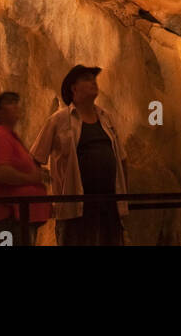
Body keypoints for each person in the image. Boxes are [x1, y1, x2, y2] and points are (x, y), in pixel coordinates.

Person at [31, 65, 126, 246]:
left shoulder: (107, 118)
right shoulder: (58, 120)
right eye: (87, 78)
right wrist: (46, 198)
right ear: (74, 88)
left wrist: (123, 198)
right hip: (74, 210)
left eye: (94, 78)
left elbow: (121, 158)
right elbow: (36, 157)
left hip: (108, 208)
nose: (93, 82)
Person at [0, 91, 50, 246]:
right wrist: (32, 178)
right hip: (9, 218)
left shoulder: (9, 137)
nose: (16, 106)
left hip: (20, 217)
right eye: (10, 102)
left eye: (16, 102)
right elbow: (1, 172)